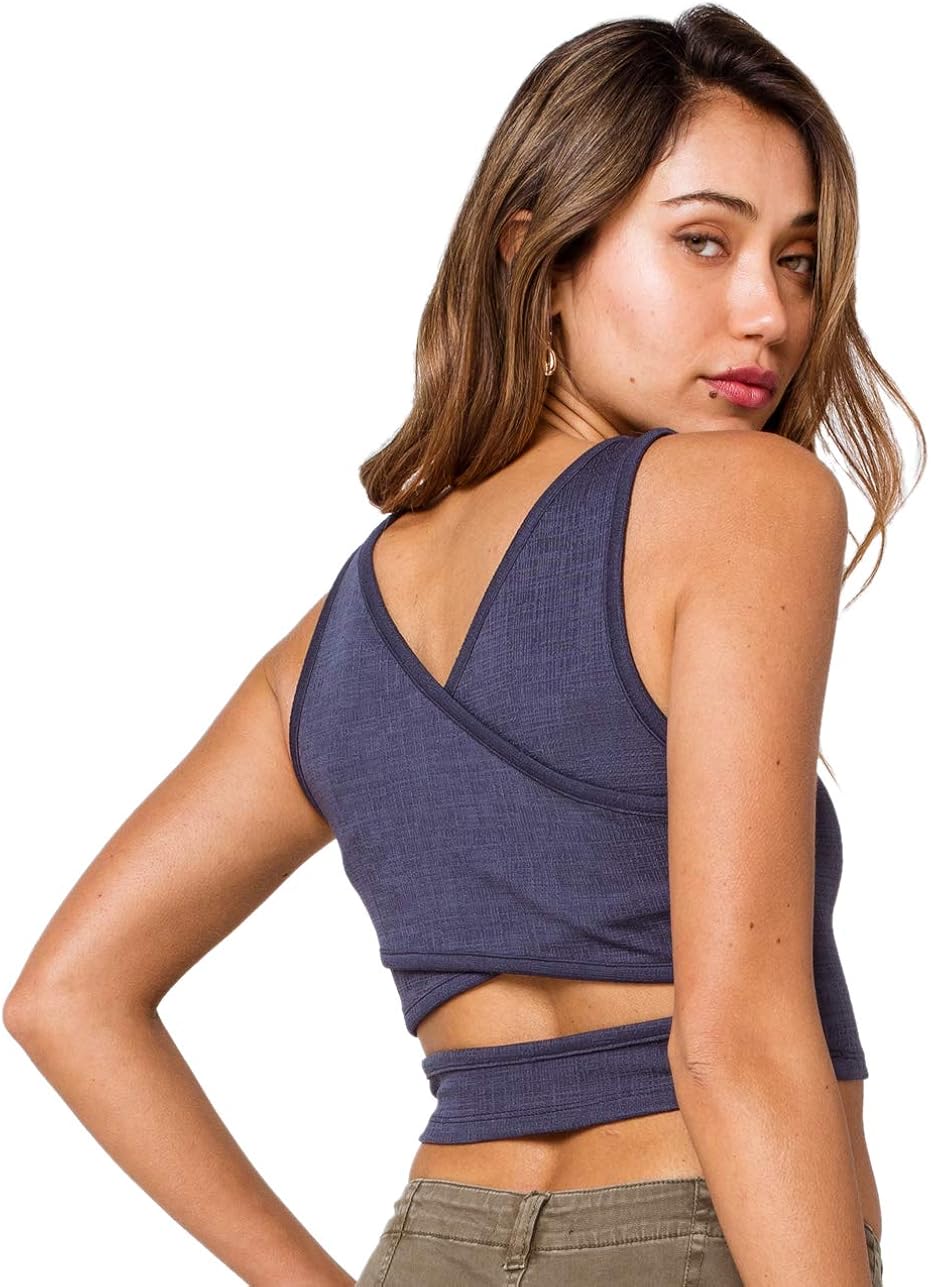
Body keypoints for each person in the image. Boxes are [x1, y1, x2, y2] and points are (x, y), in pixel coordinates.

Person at [4, 6, 923, 1285]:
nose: (767, 310)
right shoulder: (747, 496)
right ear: (538, 250)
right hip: (694, 1234)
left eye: (800, 258)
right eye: (703, 242)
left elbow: (65, 995)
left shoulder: (344, 634)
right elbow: (734, 1045)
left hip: (429, 1246)